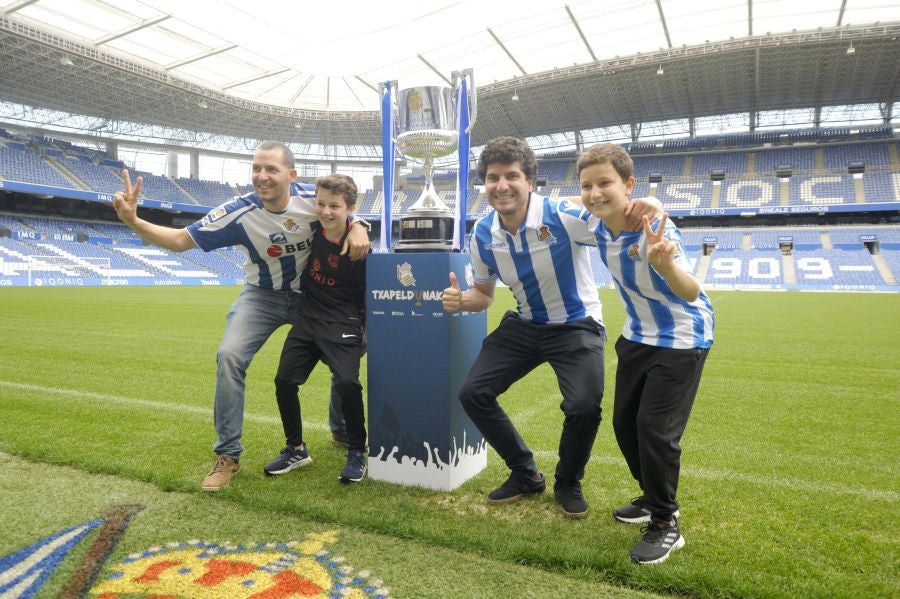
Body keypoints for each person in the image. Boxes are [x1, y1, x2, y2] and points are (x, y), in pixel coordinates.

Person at [112, 141, 370, 491]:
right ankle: (228, 455)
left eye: (271, 169)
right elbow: (178, 240)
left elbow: (342, 208)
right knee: (230, 356)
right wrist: (133, 220)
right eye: (256, 169)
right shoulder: (237, 212)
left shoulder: (313, 198)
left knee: (344, 360)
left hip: (313, 297)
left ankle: (341, 431)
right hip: (261, 297)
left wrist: (360, 225)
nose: (262, 176)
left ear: (291, 176)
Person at [441, 136, 661, 519]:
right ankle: (526, 474)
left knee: (582, 407)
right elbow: (484, 295)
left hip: (577, 327)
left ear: (530, 181)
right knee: (473, 392)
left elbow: (618, 214)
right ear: (485, 184)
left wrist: (653, 204)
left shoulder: (562, 215)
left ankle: (567, 481)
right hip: (525, 325)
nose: (502, 185)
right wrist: (462, 301)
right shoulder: (482, 233)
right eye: (493, 177)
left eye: (512, 176)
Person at [576, 143, 714, 565]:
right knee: (624, 423)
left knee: (654, 428)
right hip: (636, 334)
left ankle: (666, 523)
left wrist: (666, 263)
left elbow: (691, 290)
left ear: (628, 185)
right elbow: (556, 203)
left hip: (682, 337)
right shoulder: (595, 224)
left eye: (605, 183)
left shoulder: (656, 226)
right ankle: (653, 497)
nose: (596, 193)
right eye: (587, 185)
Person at [265, 173, 368, 483]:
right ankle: (296, 448)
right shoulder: (311, 229)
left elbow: (368, 294)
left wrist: (367, 330)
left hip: (343, 321)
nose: (325, 211)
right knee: (283, 380)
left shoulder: (361, 247)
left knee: (348, 382)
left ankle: (356, 453)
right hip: (309, 318)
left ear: (349, 207)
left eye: (334, 206)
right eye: (320, 203)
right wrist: (363, 222)